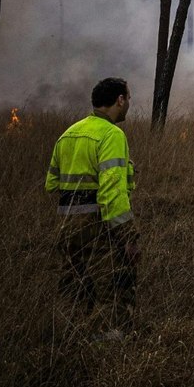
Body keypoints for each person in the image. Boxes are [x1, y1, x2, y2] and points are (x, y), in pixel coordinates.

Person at [45, 77, 138, 341]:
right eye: (128, 98)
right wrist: (129, 237)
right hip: (98, 229)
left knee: (74, 290)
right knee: (114, 286)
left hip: (66, 229)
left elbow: (51, 184)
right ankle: (110, 346)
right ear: (120, 100)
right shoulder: (112, 135)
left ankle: (68, 342)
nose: (129, 104)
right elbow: (112, 193)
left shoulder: (68, 134)